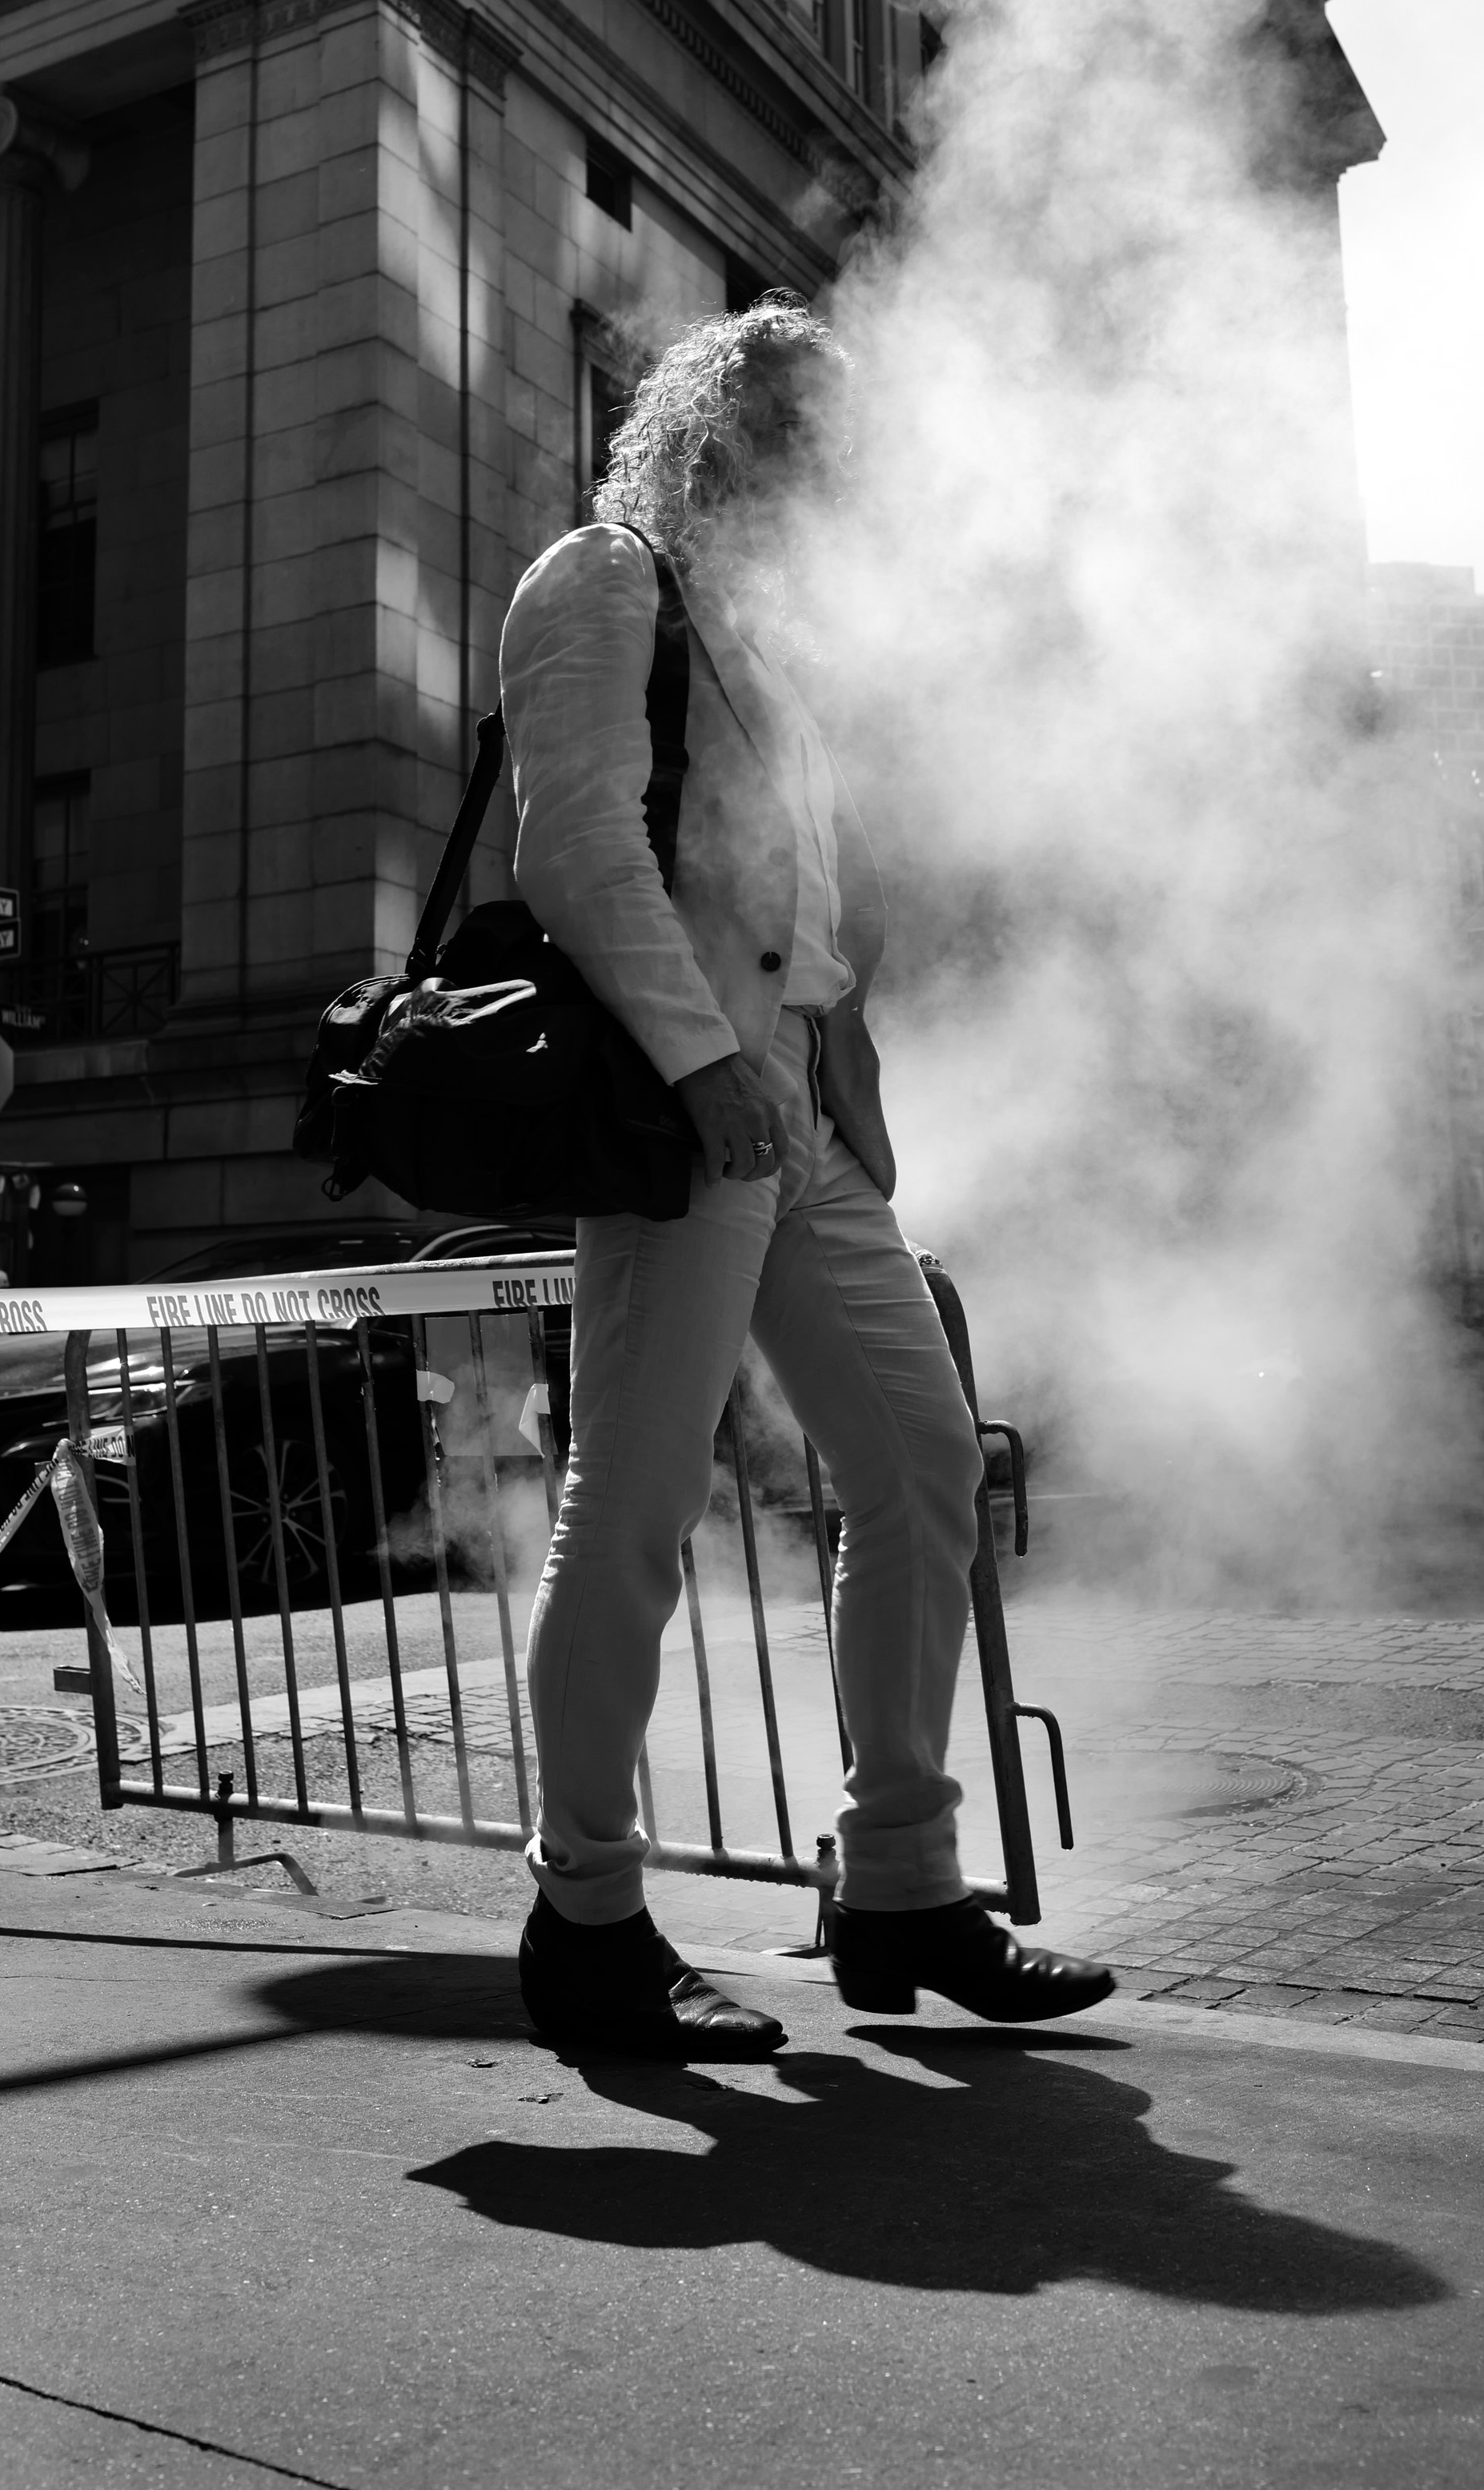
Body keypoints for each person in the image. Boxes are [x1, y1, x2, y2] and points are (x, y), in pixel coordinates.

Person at [498, 297, 1113, 2056]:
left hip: (805, 1116)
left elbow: (801, 899)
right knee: (629, 1509)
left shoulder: (758, 638)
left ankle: (902, 1885)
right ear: (711, 434)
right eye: (796, 440)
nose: (828, 478)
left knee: (921, 1461)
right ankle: (588, 1915)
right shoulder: (601, 577)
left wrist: (824, 1058)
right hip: (682, 1097)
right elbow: (575, 842)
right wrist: (704, 1065)